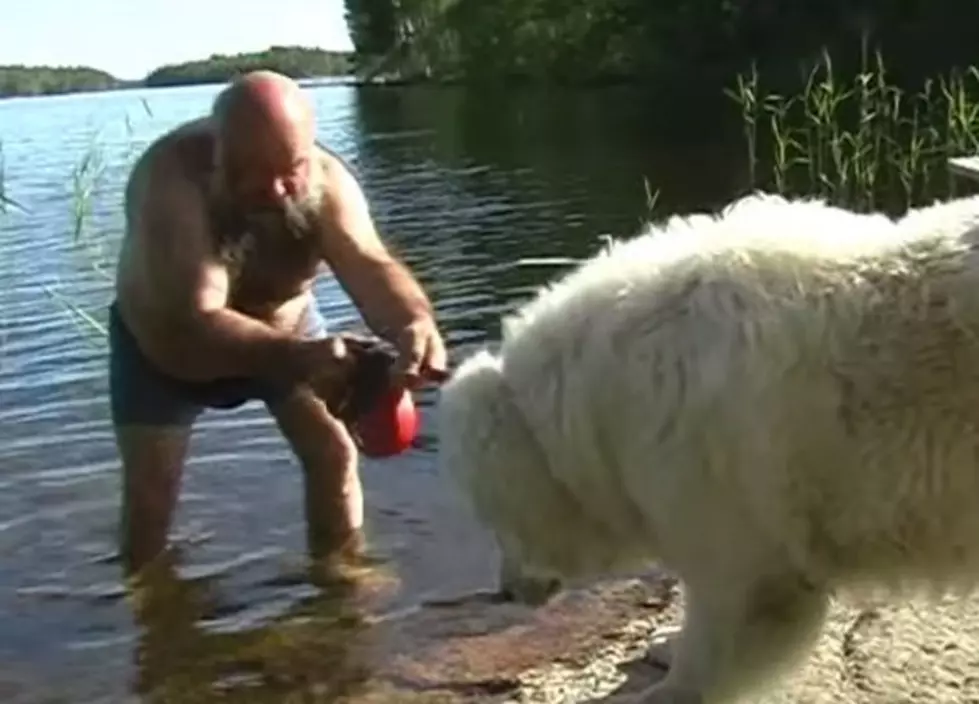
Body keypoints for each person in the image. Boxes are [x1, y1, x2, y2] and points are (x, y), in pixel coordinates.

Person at [109, 69, 447, 576]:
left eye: (290, 170)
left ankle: (339, 595)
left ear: (309, 154)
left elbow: (370, 265)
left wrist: (413, 324)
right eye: (249, 170)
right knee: (150, 503)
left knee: (333, 456)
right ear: (217, 152)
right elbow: (195, 320)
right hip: (166, 352)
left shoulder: (330, 183)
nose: (273, 190)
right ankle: (153, 633)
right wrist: (299, 357)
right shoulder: (171, 179)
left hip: (288, 335)